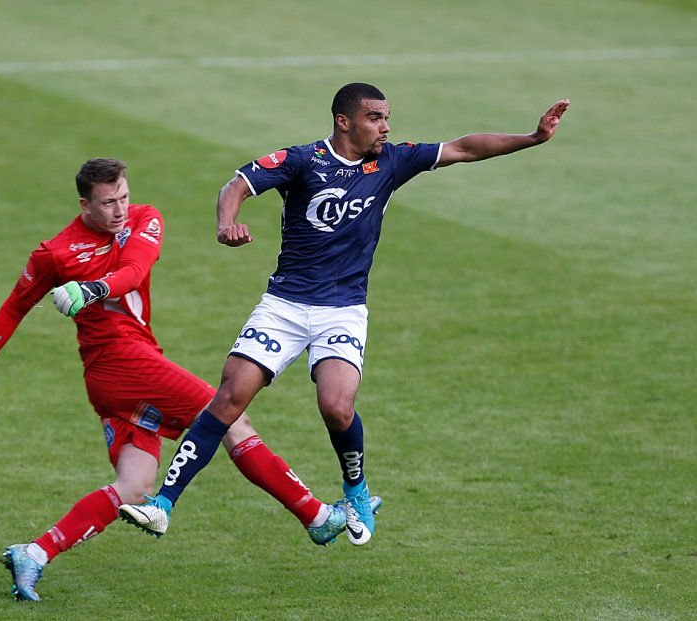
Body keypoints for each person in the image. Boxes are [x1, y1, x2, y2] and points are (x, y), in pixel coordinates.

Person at [56, 84, 570, 547]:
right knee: (230, 395)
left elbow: (462, 147)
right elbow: (236, 183)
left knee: (337, 407)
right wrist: (225, 224)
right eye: (375, 118)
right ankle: (163, 505)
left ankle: (356, 490)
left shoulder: (392, 161)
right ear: (345, 121)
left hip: (343, 310)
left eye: (387, 117)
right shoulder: (301, 162)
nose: (385, 127)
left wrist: (532, 137)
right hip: (285, 305)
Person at [0, 158, 358, 603]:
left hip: (130, 364)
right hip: (118, 365)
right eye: (107, 203)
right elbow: (15, 305)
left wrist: (91, 289)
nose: (119, 209)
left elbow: (134, 272)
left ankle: (35, 552)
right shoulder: (56, 253)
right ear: (85, 204)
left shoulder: (145, 218)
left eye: (123, 196)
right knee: (229, 417)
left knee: (134, 485)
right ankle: (317, 517)